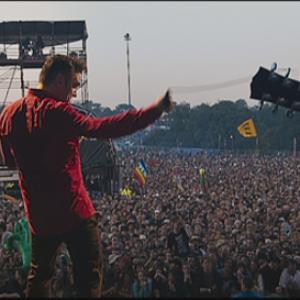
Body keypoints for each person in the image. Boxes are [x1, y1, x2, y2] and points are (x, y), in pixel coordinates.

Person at [0, 54, 176, 297]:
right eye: (73, 85)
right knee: (88, 281)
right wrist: (154, 110)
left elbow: (8, 160)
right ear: (60, 81)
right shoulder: (59, 111)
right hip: (74, 212)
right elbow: (103, 128)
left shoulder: (9, 114)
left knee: (39, 279)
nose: (73, 93)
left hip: (39, 218)